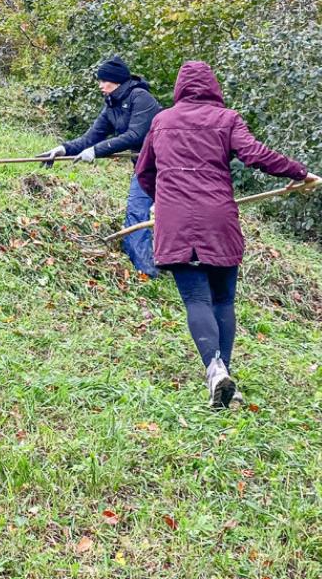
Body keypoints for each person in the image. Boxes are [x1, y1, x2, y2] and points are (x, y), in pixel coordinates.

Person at [135, 60, 319, 409]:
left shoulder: (162, 121)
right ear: (213, 87)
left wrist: (166, 200)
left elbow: (145, 173)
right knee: (223, 300)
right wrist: (300, 172)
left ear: (178, 89)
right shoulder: (227, 119)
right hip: (218, 218)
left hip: (175, 222)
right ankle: (225, 381)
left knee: (196, 301)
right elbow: (255, 155)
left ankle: (215, 372)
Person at [41, 56, 162, 276]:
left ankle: (188, 264)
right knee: (136, 213)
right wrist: (62, 149)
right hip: (143, 169)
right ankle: (146, 272)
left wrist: (97, 151)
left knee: (176, 215)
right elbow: (91, 138)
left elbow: (135, 135)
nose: (100, 86)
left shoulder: (141, 98)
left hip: (167, 166)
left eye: (103, 81)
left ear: (115, 81)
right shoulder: (111, 106)